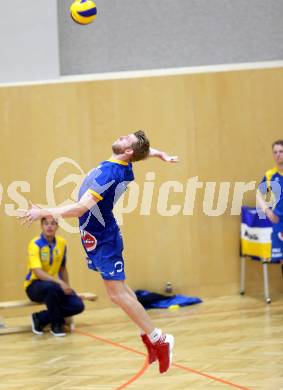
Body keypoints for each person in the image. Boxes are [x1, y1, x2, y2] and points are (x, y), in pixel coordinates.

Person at [20, 130, 179, 373]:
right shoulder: (123, 164)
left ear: (127, 152)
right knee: (122, 291)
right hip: (95, 235)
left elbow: (80, 209)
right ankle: (148, 336)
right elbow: (141, 152)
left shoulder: (110, 174)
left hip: (103, 237)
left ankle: (160, 338)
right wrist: (159, 154)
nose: (121, 136)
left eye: (126, 139)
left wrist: (43, 212)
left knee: (116, 294)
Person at [25, 216, 85, 337]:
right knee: (50, 288)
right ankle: (56, 325)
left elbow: (63, 268)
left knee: (77, 305)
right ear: (41, 226)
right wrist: (59, 282)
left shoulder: (62, 243)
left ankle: (40, 318)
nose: (49, 226)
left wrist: (67, 286)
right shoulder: (35, 244)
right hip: (35, 286)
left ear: (57, 226)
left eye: (53, 224)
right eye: (46, 223)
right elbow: (37, 271)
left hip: (55, 286)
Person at [256, 139, 283, 268]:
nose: (278, 154)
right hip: (278, 222)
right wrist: (267, 211)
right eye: (275, 152)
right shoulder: (270, 175)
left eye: (281, 151)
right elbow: (259, 194)